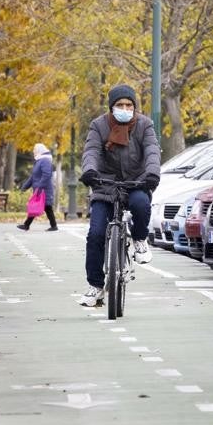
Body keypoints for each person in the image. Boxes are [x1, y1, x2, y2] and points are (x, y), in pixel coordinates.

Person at [77, 84, 160, 307]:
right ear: (111, 107)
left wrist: (151, 174)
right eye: (120, 105)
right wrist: (90, 171)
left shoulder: (144, 125)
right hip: (105, 185)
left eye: (129, 105)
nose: (125, 108)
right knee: (95, 234)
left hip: (136, 182)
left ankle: (140, 239)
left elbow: (152, 150)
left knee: (141, 205)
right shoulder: (99, 125)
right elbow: (92, 150)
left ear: (134, 106)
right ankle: (95, 286)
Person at [17, 143, 57, 231]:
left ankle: (27, 225)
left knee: (42, 207)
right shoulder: (39, 161)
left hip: (44, 190)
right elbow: (33, 177)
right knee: (44, 207)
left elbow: (47, 175)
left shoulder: (45, 160)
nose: (33, 151)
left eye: (35, 149)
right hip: (40, 190)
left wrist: (40, 187)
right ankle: (53, 226)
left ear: (40, 150)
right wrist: (24, 187)